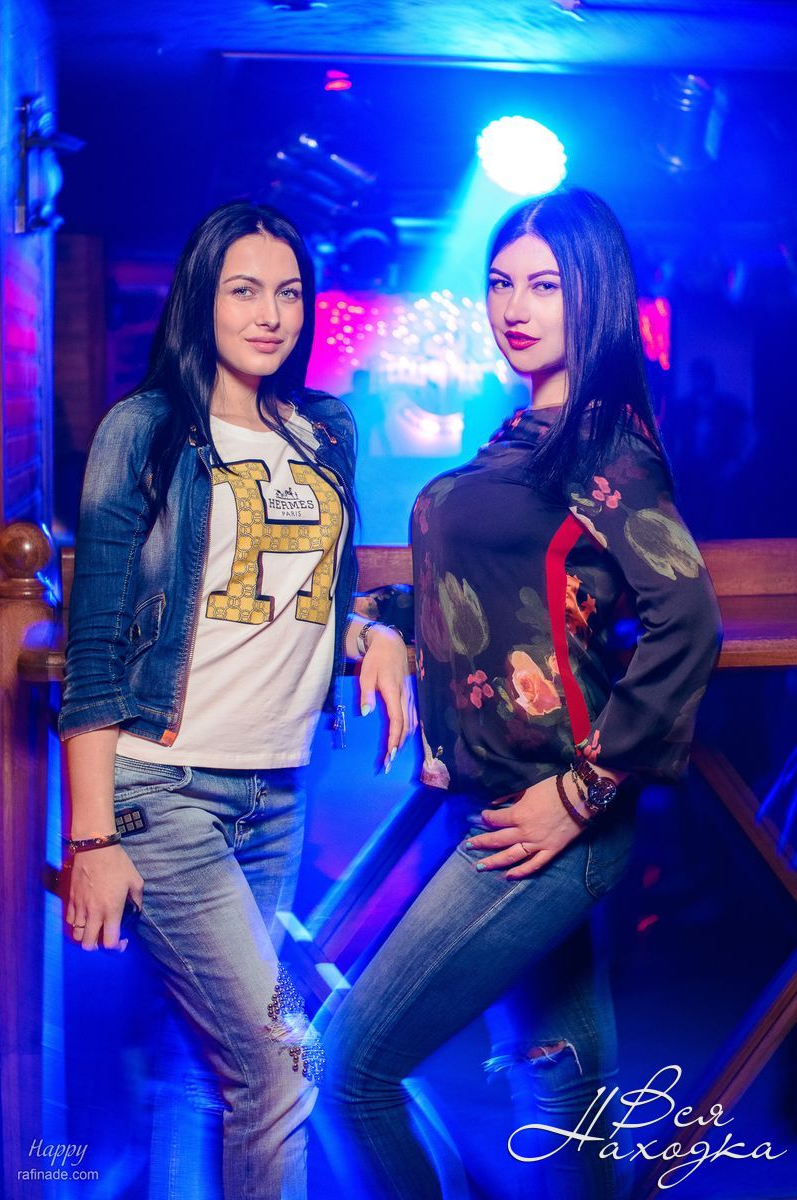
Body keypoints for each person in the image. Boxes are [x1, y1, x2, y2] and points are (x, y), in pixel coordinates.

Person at [323, 188, 723, 1199]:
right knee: (560, 1085)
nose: (513, 306)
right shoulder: (526, 436)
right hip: (493, 803)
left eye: (544, 285)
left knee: (346, 1073)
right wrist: (382, 625)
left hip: (544, 817)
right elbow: (478, 594)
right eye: (501, 282)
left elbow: (688, 619)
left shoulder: (604, 445)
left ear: (594, 295)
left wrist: (584, 793)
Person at [58, 200, 414, 1200]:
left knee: (203, 1065)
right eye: (244, 290)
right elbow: (95, 643)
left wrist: (374, 633)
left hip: (277, 791)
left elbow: (307, 596)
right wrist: (92, 838)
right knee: (280, 1058)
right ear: (199, 299)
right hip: (162, 791)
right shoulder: (144, 430)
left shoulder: (324, 429)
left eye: (288, 293)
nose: (270, 315)